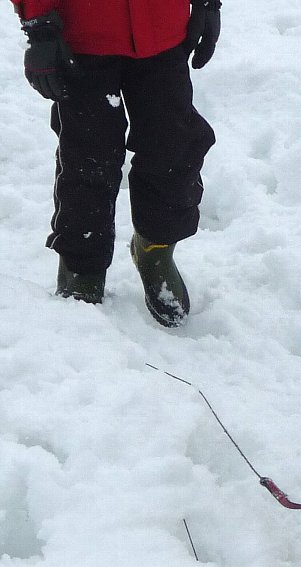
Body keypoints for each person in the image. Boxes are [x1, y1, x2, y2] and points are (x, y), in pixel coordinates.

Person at [11, 0, 222, 327]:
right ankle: (83, 266)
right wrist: (39, 25)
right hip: (83, 33)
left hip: (162, 27)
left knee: (173, 148)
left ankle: (155, 248)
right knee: (88, 157)